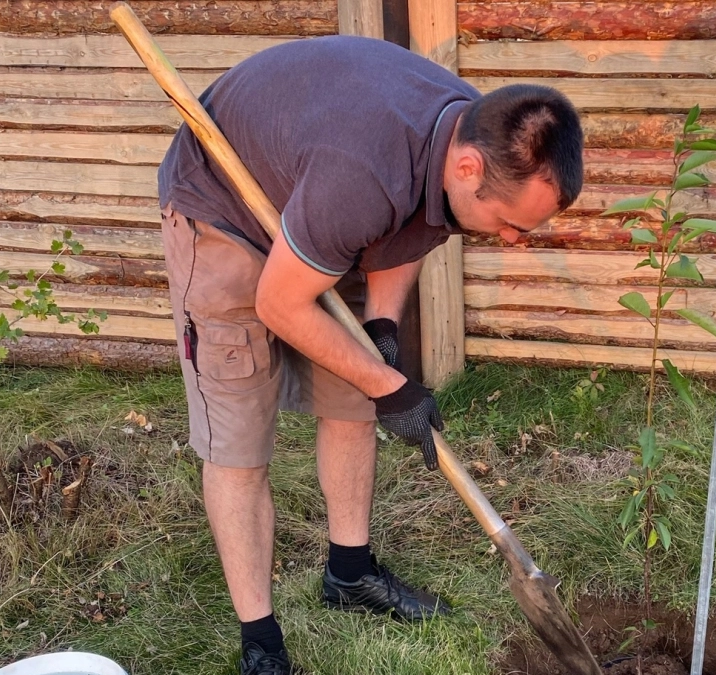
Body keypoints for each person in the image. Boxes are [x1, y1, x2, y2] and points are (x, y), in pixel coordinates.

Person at [157, 34, 583, 675]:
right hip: (226, 215)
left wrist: (380, 335)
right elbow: (279, 304)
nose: (513, 241)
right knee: (239, 441)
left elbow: (414, 230)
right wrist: (389, 384)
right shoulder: (366, 171)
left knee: (354, 393)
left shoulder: (471, 134)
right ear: (468, 168)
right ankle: (261, 643)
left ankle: (349, 574)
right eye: (510, 223)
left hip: (322, 205)